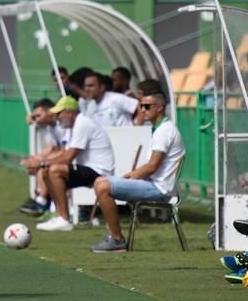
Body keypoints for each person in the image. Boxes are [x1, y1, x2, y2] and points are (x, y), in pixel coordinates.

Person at [91, 92, 185, 252]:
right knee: (100, 182)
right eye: (141, 106)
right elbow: (151, 166)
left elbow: (152, 166)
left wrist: (131, 177)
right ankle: (114, 237)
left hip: (160, 189)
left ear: (160, 108)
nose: (142, 110)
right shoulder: (160, 129)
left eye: (147, 106)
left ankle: (116, 240)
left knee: (103, 186)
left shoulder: (164, 131)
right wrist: (131, 175)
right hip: (153, 184)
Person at [23, 96, 115, 232]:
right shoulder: (74, 125)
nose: (57, 116)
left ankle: (64, 219)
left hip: (100, 171)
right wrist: (41, 163)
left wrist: (40, 163)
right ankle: (60, 216)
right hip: (89, 169)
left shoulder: (82, 123)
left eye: (59, 113)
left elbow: (68, 157)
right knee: (48, 170)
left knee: (54, 170)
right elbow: (64, 153)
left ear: (69, 112)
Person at [20, 98, 66, 215]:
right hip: (62, 158)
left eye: (38, 115)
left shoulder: (62, 126)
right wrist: (35, 159)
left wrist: (42, 160)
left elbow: (64, 150)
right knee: (38, 165)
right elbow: (52, 147)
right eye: (34, 116)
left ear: (50, 111)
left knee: (42, 169)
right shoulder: (50, 127)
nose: (36, 118)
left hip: (70, 160)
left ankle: (42, 202)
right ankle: (42, 198)